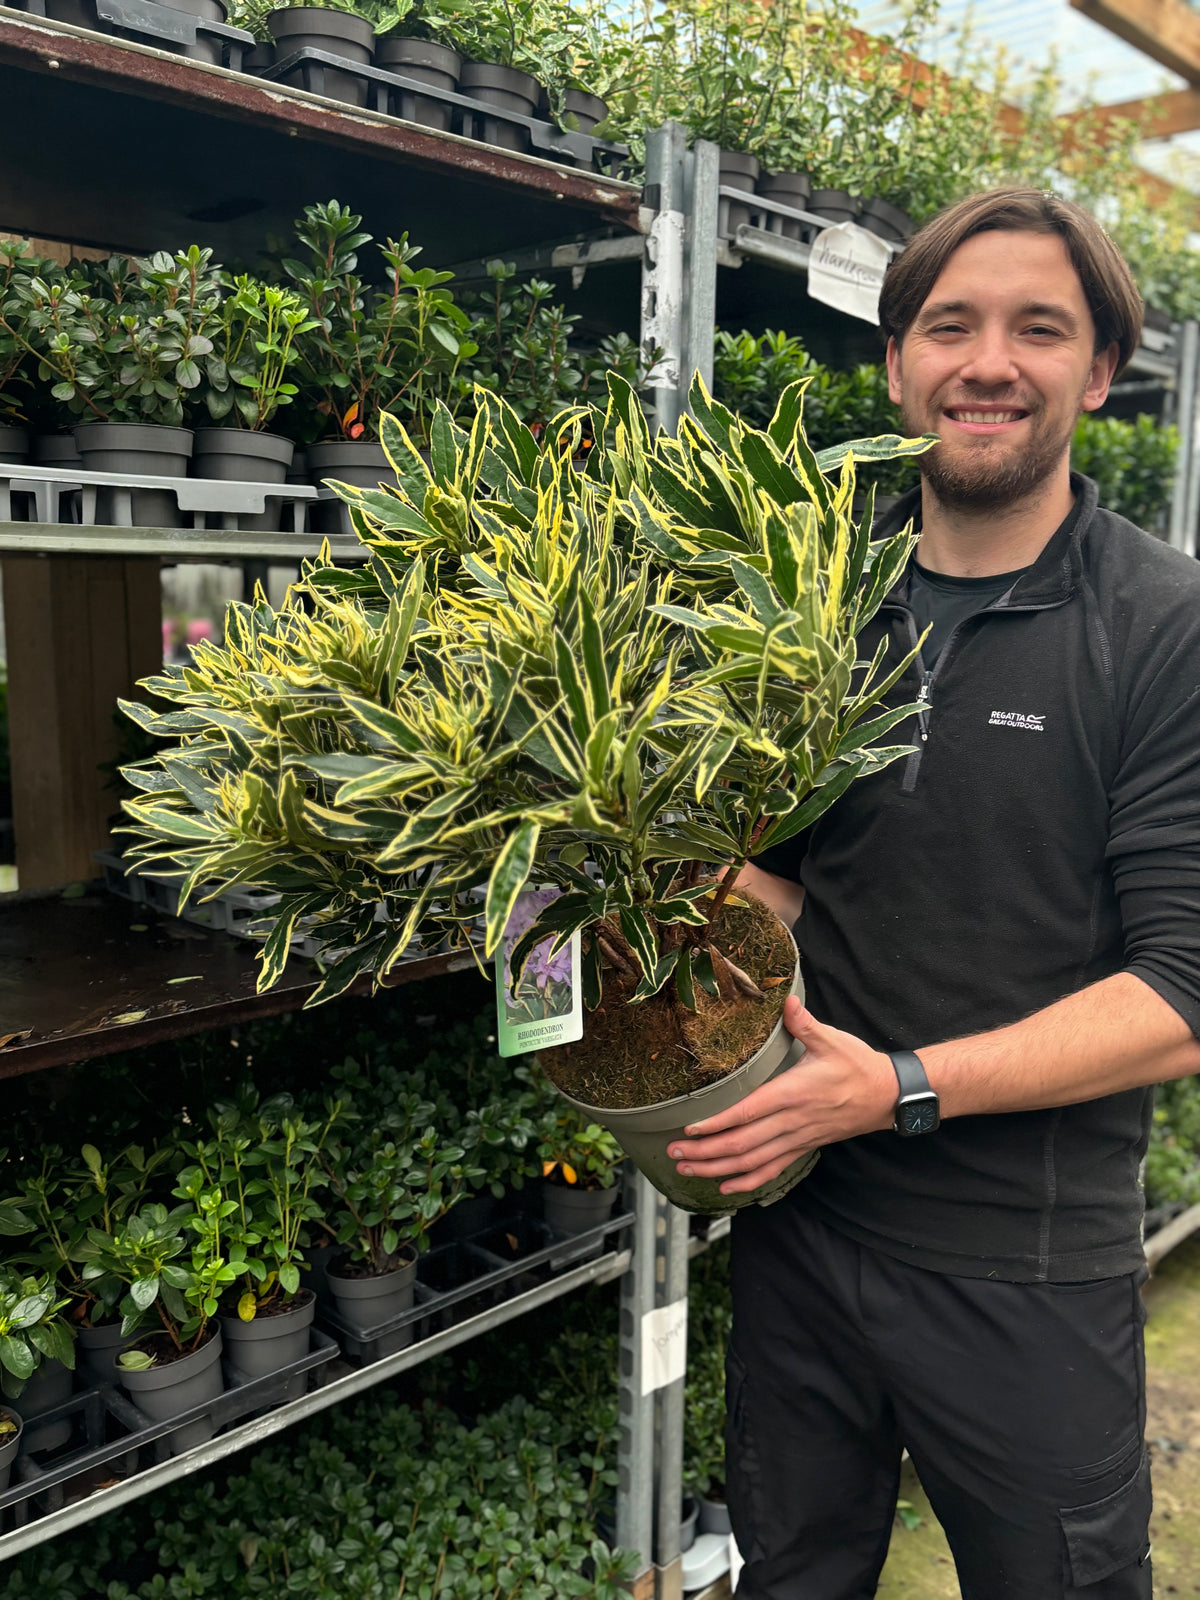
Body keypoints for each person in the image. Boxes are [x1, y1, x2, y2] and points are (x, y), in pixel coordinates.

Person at [667, 188, 1200, 1599]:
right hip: (800, 1222)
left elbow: (1180, 997)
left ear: (1097, 373)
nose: (987, 363)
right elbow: (779, 880)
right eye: (949, 325)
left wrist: (896, 1086)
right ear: (897, 363)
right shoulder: (822, 607)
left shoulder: (1162, 625)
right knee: (791, 1574)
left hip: (1020, 1268)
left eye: (1039, 329)